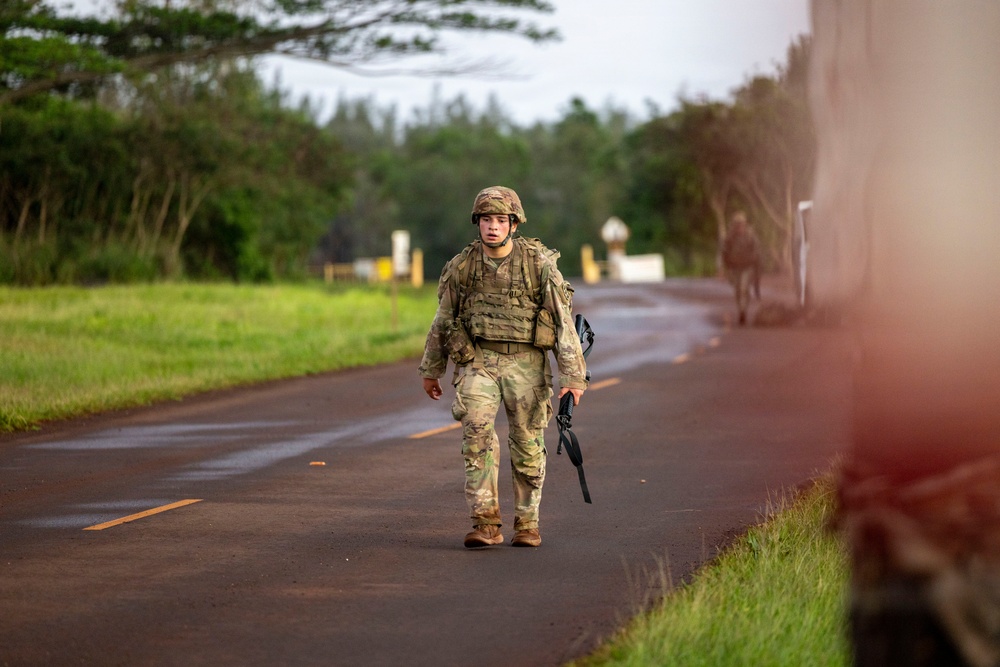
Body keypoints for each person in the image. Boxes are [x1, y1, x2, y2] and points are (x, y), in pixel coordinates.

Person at [418, 185, 589, 549]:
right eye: (485, 219)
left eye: (500, 220)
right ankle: (485, 524)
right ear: (476, 223)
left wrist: (573, 375)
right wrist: (431, 368)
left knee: (527, 442)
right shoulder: (461, 267)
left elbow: (563, 322)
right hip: (477, 361)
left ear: (514, 224)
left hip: (526, 362)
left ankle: (527, 524)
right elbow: (443, 318)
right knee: (476, 435)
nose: (492, 227)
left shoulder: (538, 264)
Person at [721, 211, 762, 326]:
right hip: (735, 268)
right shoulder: (730, 237)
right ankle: (741, 309)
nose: (740, 226)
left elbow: (757, 251)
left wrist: (753, 262)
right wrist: (726, 267)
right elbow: (725, 252)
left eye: (741, 224)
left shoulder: (750, 235)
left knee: (744, 289)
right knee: (738, 290)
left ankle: (743, 311)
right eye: (737, 224)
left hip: (747, 267)